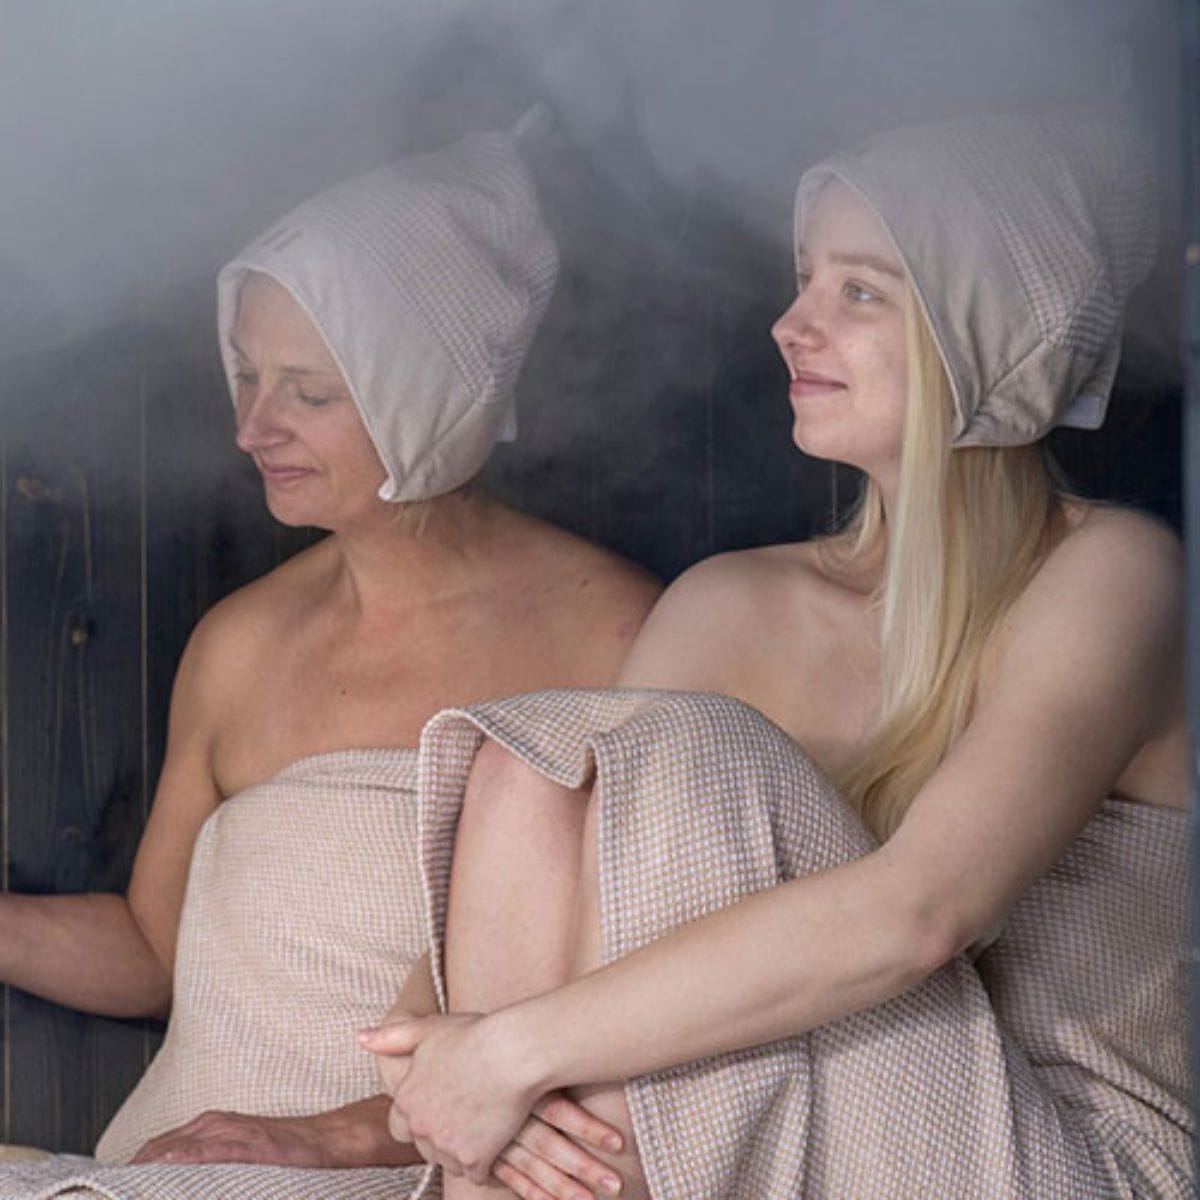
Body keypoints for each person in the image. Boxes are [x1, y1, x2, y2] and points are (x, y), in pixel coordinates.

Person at [362, 110, 1192, 1199]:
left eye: (858, 292)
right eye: (803, 282)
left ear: (981, 331)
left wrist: (512, 1056)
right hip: (799, 1116)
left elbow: (920, 914)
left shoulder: (1113, 576)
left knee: (685, 751)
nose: (788, 326)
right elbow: (539, 892)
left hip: (1060, 1154)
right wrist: (446, 1058)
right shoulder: (735, 602)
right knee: (538, 763)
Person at [0, 130, 658, 1199]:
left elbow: (622, 997)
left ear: (427, 393)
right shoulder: (240, 642)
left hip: (422, 1167)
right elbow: (152, 952)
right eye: (247, 377)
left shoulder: (615, 637)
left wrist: (334, 1139)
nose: (251, 427)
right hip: (172, 1159)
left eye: (306, 392)